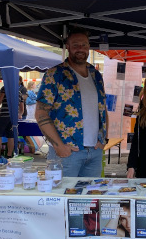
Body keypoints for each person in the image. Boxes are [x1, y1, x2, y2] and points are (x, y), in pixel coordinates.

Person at [36, 26, 107, 177]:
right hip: (67, 154)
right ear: (67, 47)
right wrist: (59, 146)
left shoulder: (96, 75)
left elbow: (102, 109)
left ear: (89, 47)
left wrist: (104, 139)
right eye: (75, 45)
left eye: (84, 45)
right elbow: (41, 112)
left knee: (90, 198)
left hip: (95, 151)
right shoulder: (54, 74)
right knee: (62, 198)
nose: (80, 49)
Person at [0, 84, 16, 159]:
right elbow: (22, 105)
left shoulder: (4, 88)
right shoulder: (17, 91)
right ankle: (9, 155)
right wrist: (20, 114)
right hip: (13, 116)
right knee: (11, 136)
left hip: (4, 115)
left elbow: (0, 98)